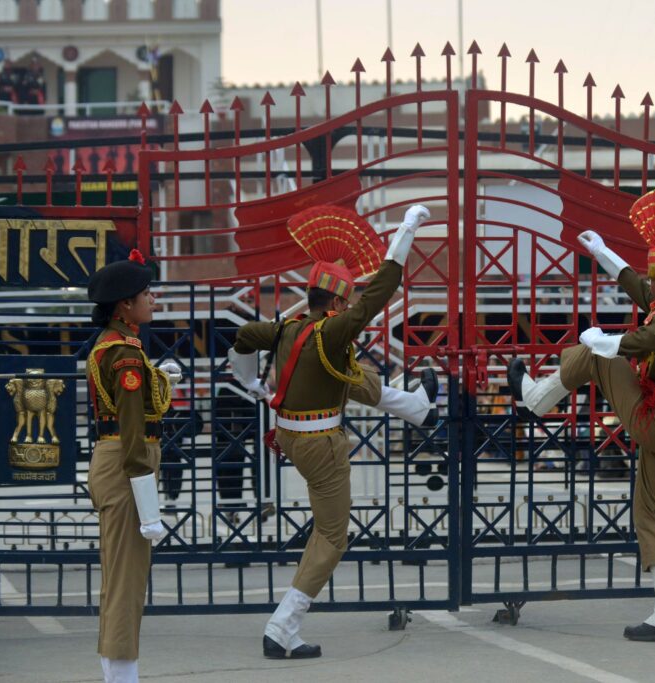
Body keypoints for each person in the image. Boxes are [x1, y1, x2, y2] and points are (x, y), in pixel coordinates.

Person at [507, 186, 655, 644]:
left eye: (652, 279)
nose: (648, 285)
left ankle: (536, 398)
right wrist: (602, 252)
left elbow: (644, 339)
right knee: (650, 514)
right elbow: (635, 288)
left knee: (594, 356)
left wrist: (606, 343)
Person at [229, 204, 430, 658]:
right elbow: (383, 288)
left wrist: (252, 384)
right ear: (338, 303)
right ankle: (283, 627)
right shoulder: (332, 332)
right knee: (333, 536)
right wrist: (408, 229)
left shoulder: (286, 329)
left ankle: (419, 407)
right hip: (321, 444)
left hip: (289, 436)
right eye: (347, 301)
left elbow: (240, 339)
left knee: (359, 380)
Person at [85, 249, 182, 683]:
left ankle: (117, 672)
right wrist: (149, 509)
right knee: (127, 582)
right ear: (125, 304)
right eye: (147, 293)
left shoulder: (119, 346)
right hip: (128, 471)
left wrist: (160, 377)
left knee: (119, 576)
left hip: (120, 467)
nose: (153, 299)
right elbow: (130, 433)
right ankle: (122, 676)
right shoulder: (124, 355)